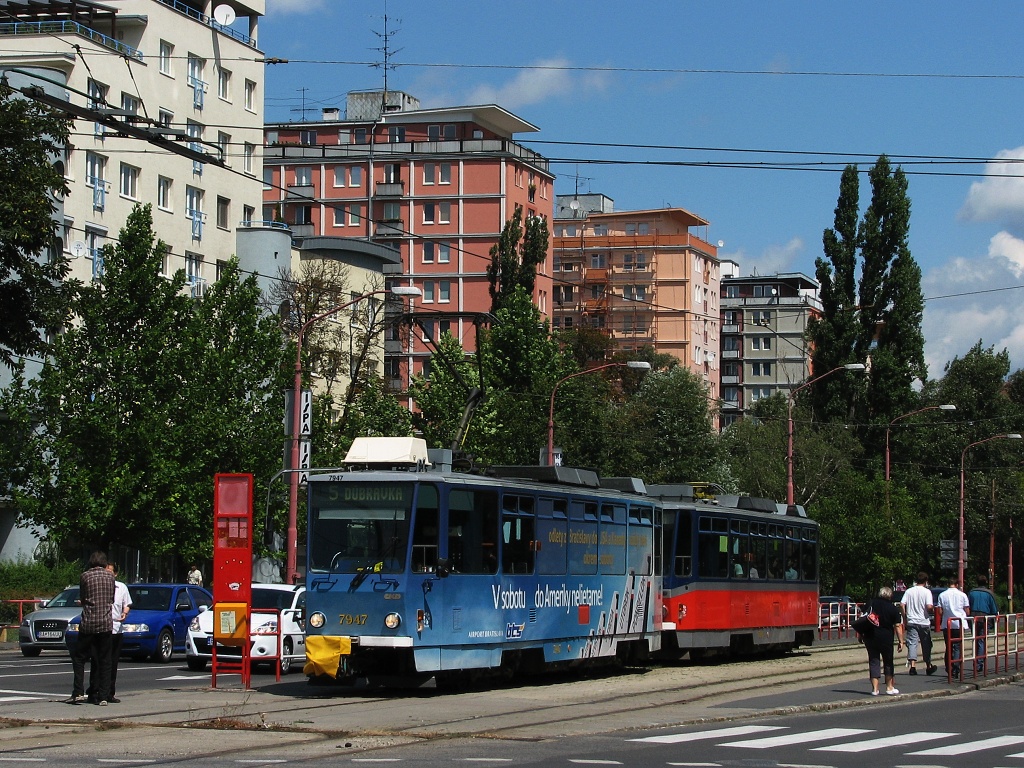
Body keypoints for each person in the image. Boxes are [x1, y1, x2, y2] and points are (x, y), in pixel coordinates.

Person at [69, 551, 115, 706]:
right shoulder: (110, 577)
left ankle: (78, 691)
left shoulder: (85, 576)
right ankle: (103, 695)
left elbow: (83, 597)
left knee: (80, 658)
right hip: (105, 623)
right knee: (104, 660)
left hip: (88, 623)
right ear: (104, 562)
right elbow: (111, 598)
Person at [862, 585, 905, 696]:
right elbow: (898, 626)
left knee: (873, 660)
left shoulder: (870, 604)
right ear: (890, 596)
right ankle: (889, 687)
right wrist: (901, 641)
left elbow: (862, 619)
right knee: (888, 661)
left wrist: (860, 634)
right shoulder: (892, 608)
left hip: (870, 636)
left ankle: (875, 689)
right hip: (886, 638)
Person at [900, 572, 937, 676]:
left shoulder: (909, 591)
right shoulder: (927, 592)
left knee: (912, 643)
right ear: (926, 581)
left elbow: (902, 605)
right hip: (923, 621)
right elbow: (929, 607)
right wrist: (933, 611)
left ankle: (912, 666)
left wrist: (905, 617)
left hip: (911, 621)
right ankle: (928, 665)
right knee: (926, 644)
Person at [938, 576, 971, 677]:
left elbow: (940, 611)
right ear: (957, 585)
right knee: (957, 646)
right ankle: (956, 667)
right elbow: (967, 611)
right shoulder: (962, 595)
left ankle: (949, 668)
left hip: (947, 624)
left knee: (948, 646)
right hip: (959, 624)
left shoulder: (942, 595)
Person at [968, 575, 999, 672]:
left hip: (973, 618)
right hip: (985, 618)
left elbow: (967, 605)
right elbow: (994, 609)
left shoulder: (971, 592)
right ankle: (979, 663)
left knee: (975, 639)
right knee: (981, 640)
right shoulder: (989, 593)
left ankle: (976, 660)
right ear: (985, 583)